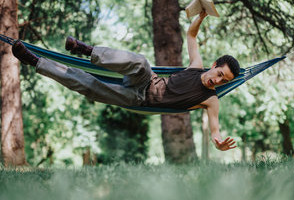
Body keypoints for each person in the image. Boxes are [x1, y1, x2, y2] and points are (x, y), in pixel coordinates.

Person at [12, 11, 240, 151]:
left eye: (223, 81)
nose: (217, 81)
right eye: (219, 74)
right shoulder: (196, 65)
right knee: (140, 61)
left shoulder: (211, 100)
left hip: (137, 99)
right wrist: (200, 17)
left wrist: (219, 143)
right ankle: (86, 50)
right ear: (213, 65)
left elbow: (215, 130)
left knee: (90, 87)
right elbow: (191, 35)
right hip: (147, 79)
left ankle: (35, 62)